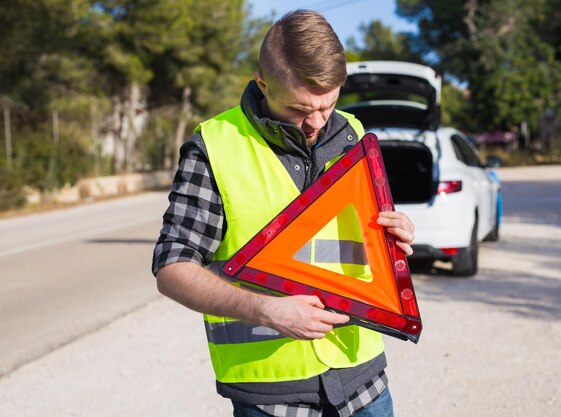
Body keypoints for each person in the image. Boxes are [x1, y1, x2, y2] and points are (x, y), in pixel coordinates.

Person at [152, 9, 415, 417]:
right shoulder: (216, 146)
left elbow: (357, 246)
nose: (316, 122)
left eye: (328, 105)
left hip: (364, 382)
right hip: (271, 397)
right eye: (299, 108)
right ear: (262, 83)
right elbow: (172, 268)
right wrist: (266, 309)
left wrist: (394, 235)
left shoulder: (354, 133)